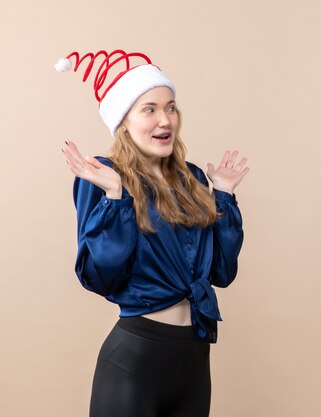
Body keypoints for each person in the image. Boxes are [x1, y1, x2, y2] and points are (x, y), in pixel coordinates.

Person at [57, 49, 248, 417]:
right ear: (123, 120)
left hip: (194, 359)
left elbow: (222, 273)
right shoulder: (103, 177)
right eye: (150, 109)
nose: (166, 119)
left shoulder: (191, 178)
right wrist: (115, 198)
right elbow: (100, 278)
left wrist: (223, 196)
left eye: (171, 107)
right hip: (134, 364)